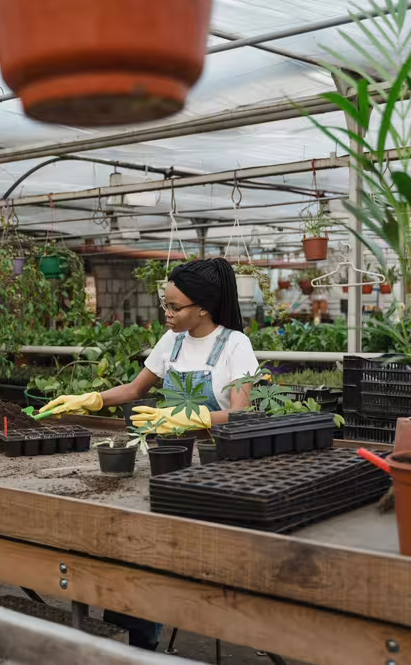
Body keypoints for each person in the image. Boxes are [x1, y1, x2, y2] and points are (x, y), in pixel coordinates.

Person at [39, 257, 260, 650]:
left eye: (175, 307)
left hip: (214, 471)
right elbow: (134, 390)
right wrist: (91, 399)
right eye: (166, 304)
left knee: (169, 557)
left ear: (204, 308)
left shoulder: (235, 346)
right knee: (132, 549)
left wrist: (192, 416)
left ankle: (149, 638)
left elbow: (241, 415)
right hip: (165, 463)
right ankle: (132, 642)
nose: (167, 313)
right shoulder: (170, 342)